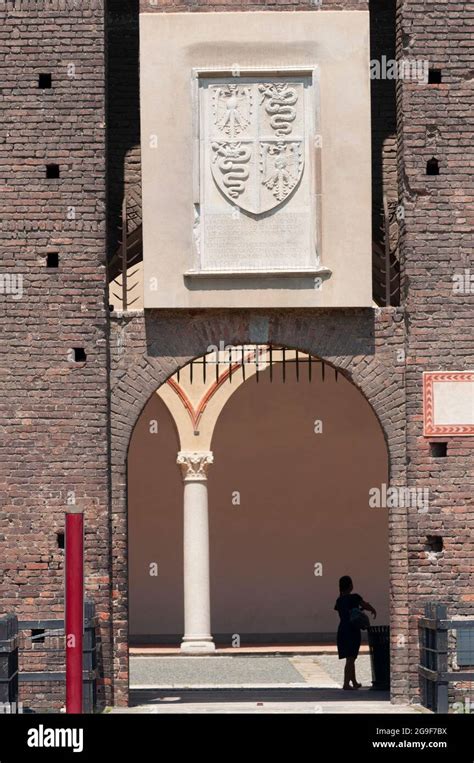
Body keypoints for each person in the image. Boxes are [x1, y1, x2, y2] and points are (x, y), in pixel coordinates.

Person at [334, 575, 376, 690]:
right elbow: (365, 605)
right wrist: (373, 610)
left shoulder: (339, 600)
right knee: (351, 658)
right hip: (352, 630)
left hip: (342, 630)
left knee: (350, 658)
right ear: (350, 586)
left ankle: (354, 682)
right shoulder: (355, 597)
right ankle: (346, 683)